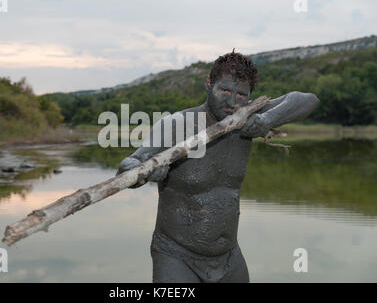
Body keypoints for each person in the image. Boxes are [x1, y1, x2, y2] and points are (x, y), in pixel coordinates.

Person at [116, 51, 320, 283]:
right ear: (208, 84)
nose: (232, 102)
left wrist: (268, 120)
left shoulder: (246, 119)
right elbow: (130, 165)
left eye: (242, 94)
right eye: (225, 90)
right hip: (177, 256)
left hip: (229, 258)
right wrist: (142, 172)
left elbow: (308, 99)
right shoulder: (176, 124)